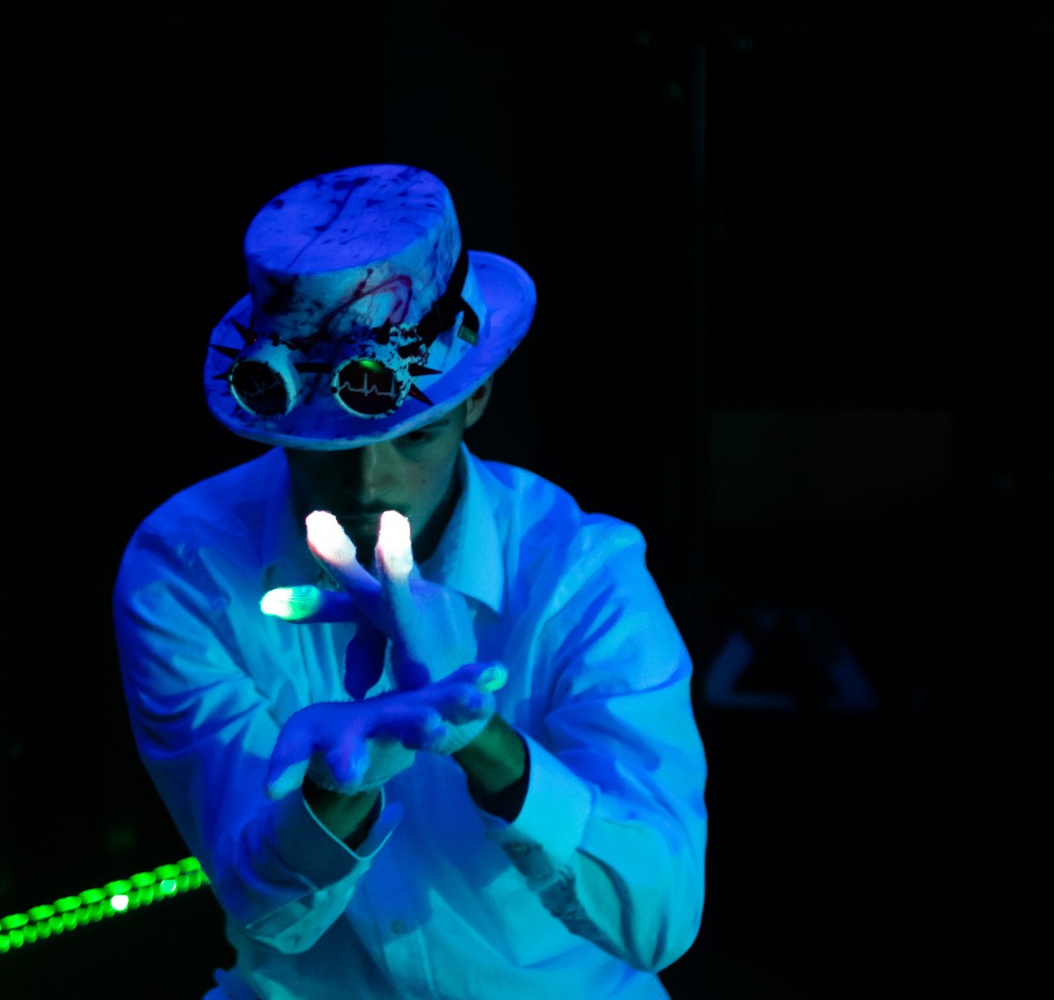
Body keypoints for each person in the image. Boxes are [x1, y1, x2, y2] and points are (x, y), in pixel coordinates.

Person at [113, 163, 707, 998]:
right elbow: (267, 909)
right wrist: (337, 790)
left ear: (476, 397)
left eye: (414, 436)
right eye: (327, 442)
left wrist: (481, 737)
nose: (369, 482)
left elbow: (661, 919)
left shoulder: (580, 576)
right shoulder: (186, 568)